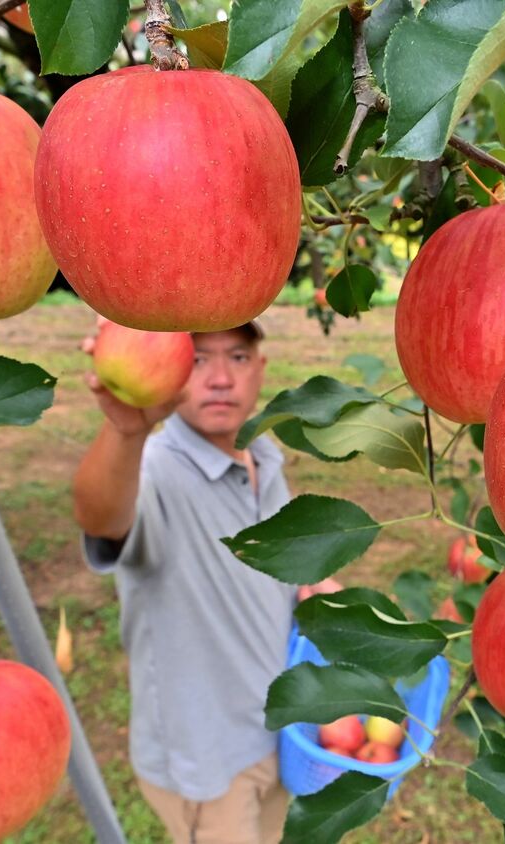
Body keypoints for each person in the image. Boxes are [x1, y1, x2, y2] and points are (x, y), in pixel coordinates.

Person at [74, 319, 313, 844]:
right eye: (199, 359)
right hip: (209, 764)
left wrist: (311, 584)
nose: (221, 379)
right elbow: (102, 517)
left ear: (261, 369)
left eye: (238, 357)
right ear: (174, 372)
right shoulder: (154, 472)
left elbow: (272, 565)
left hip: (279, 733)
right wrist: (125, 433)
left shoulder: (267, 458)